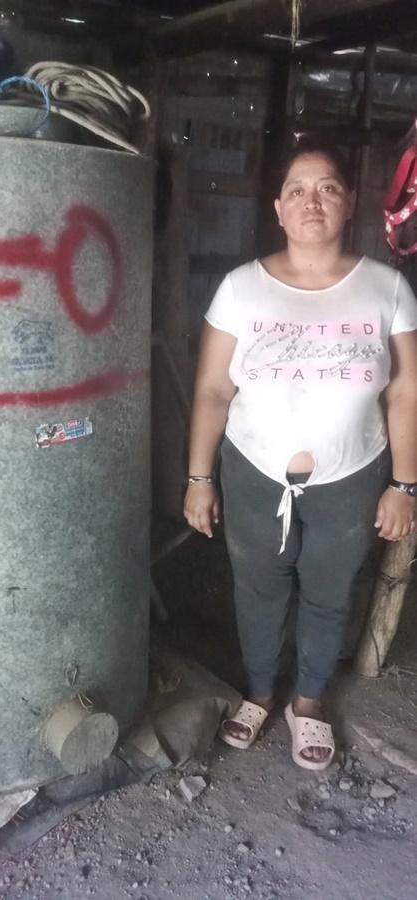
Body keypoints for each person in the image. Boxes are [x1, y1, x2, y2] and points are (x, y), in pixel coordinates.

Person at [183, 139, 417, 771]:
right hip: (254, 470)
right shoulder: (241, 289)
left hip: (352, 474)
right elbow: (212, 389)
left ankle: (307, 701)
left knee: (329, 589)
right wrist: (200, 477)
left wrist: (404, 485)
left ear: (349, 203)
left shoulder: (388, 289)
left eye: (328, 188)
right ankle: (260, 692)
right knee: (258, 586)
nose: (312, 201)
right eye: (297, 190)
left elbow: (405, 392)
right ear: (279, 209)